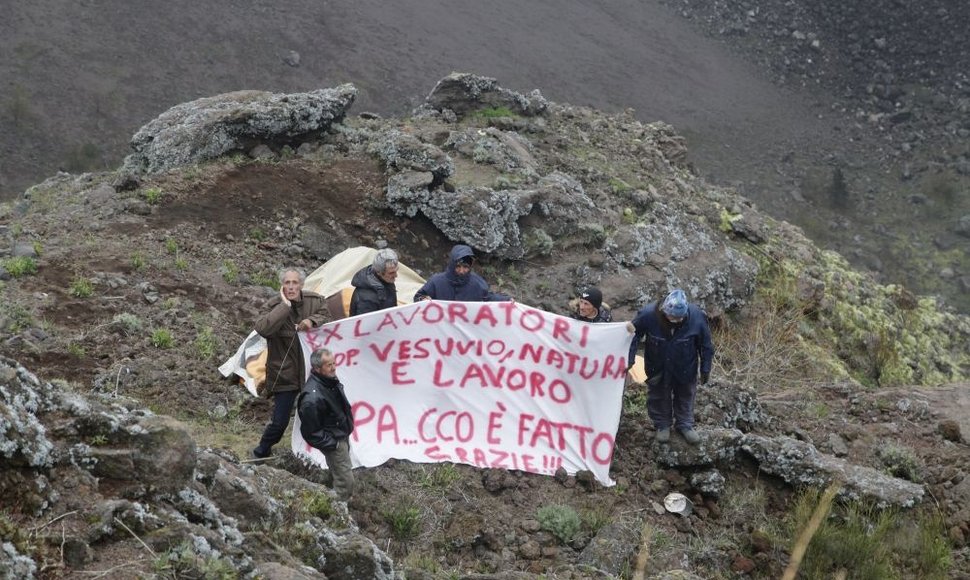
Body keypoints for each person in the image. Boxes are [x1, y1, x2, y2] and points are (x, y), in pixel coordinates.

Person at [252, 267, 328, 459]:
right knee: (279, 422)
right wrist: (284, 307)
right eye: (287, 283)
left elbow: (327, 315)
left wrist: (312, 320)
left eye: (295, 283)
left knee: (315, 415)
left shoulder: (315, 301)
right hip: (284, 373)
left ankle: (314, 455)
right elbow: (263, 329)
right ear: (282, 285)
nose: (291, 287)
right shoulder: (273, 305)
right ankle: (261, 451)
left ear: (301, 284)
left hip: (311, 372)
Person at [626, 288, 714, 445]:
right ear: (664, 310)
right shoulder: (648, 315)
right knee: (659, 394)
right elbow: (632, 334)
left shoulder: (697, 317)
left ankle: (685, 424)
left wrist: (705, 369)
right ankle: (662, 425)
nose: (675, 320)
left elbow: (706, 345)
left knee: (686, 394)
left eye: (679, 318)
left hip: (685, 366)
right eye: (672, 316)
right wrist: (629, 358)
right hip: (657, 365)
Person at [298, 348, 356, 500]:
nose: (334, 367)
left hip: (340, 435)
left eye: (334, 363)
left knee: (339, 471)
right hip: (334, 440)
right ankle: (339, 512)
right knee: (346, 482)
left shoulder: (328, 381)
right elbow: (310, 433)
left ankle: (333, 498)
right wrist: (333, 444)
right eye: (329, 365)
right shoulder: (312, 398)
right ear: (317, 368)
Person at [414, 244, 509, 302]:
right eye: (458, 267)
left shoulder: (477, 283)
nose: (462, 271)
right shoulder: (436, 282)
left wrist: (506, 300)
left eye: (465, 267)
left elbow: (488, 298)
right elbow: (418, 297)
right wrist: (423, 300)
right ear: (452, 265)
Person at [349, 248, 399, 316]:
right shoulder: (365, 299)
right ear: (379, 272)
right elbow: (366, 324)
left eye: (396, 271)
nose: (396, 275)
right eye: (391, 273)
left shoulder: (386, 280)